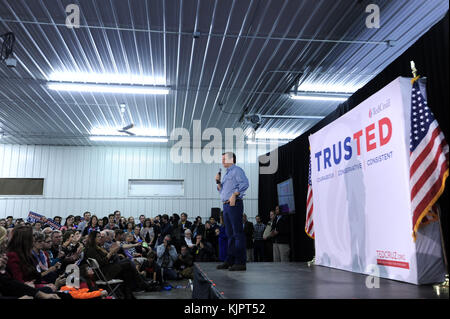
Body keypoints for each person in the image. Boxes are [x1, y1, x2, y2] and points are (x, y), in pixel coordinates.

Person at [84, 231, 151, 299]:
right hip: (104, 273)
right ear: (93, 238)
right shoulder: (91, 249)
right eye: (98, 237)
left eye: (100, 236)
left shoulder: (97, 247)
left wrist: (113, 253)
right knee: (128, 262)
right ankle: (141, 284)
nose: (100, 238)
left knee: (126, 272)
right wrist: (111, 253)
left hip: (107, 269)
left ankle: (129, 294)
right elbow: (101, 263)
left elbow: (107, 259)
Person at [0, 226, 61, 299]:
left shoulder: (31, 254)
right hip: (20, 290)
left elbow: (35, 276)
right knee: (48, 290)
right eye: (32, 237)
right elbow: (13, 282)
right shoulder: (12, 255)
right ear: (25, 239)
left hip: (28, 287)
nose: (34, 239)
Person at [216, 152, 249, 271]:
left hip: (234, 204)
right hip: (226, 205)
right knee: (229, 234)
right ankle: (230, 260)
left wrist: (235, 194)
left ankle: (240, 262)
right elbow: (222, 192)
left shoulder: (237, 171)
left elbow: (245, 184)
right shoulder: (226, 174)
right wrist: (218, 183)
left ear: (232, 159)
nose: (222, 161)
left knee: (237, 233)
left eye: (224, 159)